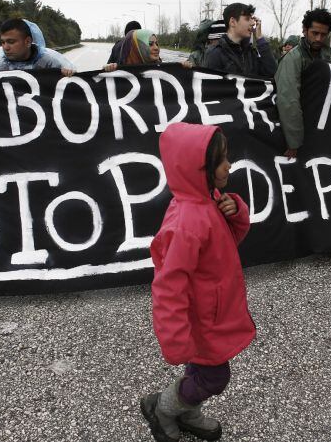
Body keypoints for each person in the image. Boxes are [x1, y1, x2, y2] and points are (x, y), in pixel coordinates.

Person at [141, 122, 254, 442]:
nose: (228, 165)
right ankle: (163, 408)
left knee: (201, 371)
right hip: (201, 317)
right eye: (221, 160)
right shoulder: (188, 221)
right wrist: (174, 337)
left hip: (213, 311)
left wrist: (235, 212)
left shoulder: (209, 199)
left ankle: (186, 410)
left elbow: (229, 242)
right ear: (197, 169)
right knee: (216, 377)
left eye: (227, 157)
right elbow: (168, 284)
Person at [275, 8, 331, 158]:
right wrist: (294, 143)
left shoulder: (330, 55)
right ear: (304, 30)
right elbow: (288, 100)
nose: (318, 38)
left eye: (323, 34)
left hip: (323, 132)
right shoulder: (293, 59)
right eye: (314, 33)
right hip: (302, 134)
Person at [0, 18, 74, 80]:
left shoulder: (50, 62)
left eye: (11, 42)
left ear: (27, 41)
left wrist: (68, 74)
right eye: (3, 42)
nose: (5, 47)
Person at [203, 2, 277, 78]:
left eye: (252, 19)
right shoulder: (216, 54)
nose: (253, 23)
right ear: (233, 22)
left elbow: (272, 73)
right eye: (247, 19)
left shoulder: (250, 53)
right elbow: (210, 87)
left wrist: (260, 39)